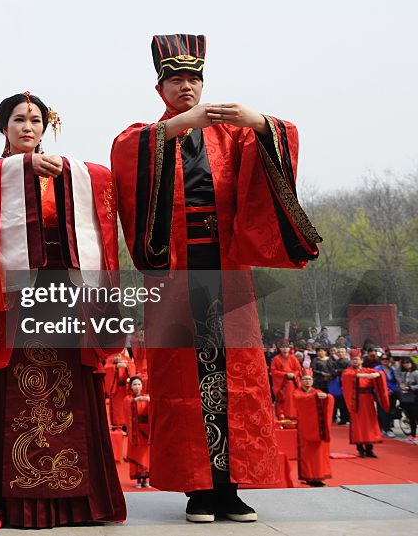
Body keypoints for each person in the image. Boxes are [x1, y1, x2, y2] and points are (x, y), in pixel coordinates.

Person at [111, 34, 322, 523]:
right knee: (183, 380)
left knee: (238, 379)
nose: (186, 87)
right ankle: (197, 490)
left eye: (193, 79)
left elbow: (280, 140)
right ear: (159, 87)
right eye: (175, 80)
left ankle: (230, 488)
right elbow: (127, 156)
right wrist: (177, 129)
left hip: (227, 270)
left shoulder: (232, 136)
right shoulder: (143, 135)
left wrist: (261, 123)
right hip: (174, 275)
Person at [0, 92, 126, 527]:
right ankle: (13, 500)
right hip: (13, 301)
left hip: (61, 296)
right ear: (3, 128)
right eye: (18, 120)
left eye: (36, 121)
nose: (28, 128)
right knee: (15, 392)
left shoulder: (66, 174)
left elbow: (104, 181)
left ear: (46, 128)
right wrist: (22, 169)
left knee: (67, 393)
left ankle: (78, 500)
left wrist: (68, 173)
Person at [341, 349, 390, 457]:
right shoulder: (348, 372)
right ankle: (360, 448)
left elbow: (380, 373)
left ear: (362, 360)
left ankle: (369, 448)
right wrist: (365, 376)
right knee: (358, 425)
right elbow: (348, 377)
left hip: (368, 401)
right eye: (353, 359)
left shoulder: (367, 370)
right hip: (356, 401)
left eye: (357, 359)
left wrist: (376, 374)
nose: (355, 361)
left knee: (370, 424)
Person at [293, 371, 333, 486]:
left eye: (309, 379)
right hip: (305, 428)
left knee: (319, 453)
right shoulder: (296, 393)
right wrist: (314, 398)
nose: (307, 381)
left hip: (317, 428)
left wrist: (327, 397)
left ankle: (318, 476)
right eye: (305, 379)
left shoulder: (318, 391)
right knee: (307, 452)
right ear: (301, 381)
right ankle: (309, 476)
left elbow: (329, 398)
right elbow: (300, 401)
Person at [126, 376, 151, 489]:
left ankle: (146, 479)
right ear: (131, 387)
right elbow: (126, 411)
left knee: (146, 455)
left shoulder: (147, 397)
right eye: (135, 385)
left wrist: (148, 401)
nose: (137, 387)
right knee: (137, 454)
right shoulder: (127, 399)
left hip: (146, 431)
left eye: (139, 384)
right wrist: (133, 402)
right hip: (135, 431)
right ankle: (139, 479)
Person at [270, 340, 302, 420]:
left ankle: (292, 414)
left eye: (286, 347)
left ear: (289, 348)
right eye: (283, 347)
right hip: (281, 383)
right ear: (280, 349)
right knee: (282, 399)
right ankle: (282, 414)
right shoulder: (276, 359)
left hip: (292, 381)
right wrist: (284, 374)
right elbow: (273, 371)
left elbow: (298, 369)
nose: (285, 349)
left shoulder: (293, 358)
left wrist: (294, 374)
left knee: (292, 398)